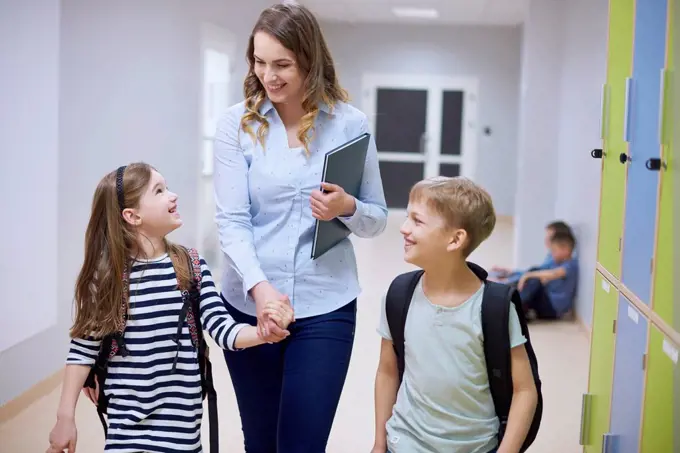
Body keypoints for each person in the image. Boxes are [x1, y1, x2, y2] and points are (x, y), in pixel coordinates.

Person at [212, 3, 387, 452]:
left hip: (325, 303)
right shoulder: (237, 124)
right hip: (250, 305)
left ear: (310, 60)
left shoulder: (349, 123)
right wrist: (262, 291)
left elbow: (377, 218)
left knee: (302, 444)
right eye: (260, 61)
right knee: (261, 441)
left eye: (282, 64)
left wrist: (347, 207)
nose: (269, 75)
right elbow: (232, 222)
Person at [46, 163, 294, 453]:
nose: (173, 196)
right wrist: (65, 418)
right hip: (126, 437)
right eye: (160, 191)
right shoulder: (107, 279)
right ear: (132, 216)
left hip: (182, 437)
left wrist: (264, 333)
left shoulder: (191, 266)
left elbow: (222, 328)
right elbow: (83, 350)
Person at [372, 177, 538, 453]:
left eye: (417, 221)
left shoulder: (494, 307)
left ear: (455, 239)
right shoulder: (399, 294)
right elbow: (387, 372)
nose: (403, 228)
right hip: (403, 444)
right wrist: (380, 444)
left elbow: (525, 391)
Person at [517, 230, 579, 320]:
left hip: (553, 309)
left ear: (565, 250)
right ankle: (520, 309)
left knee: (534, 277)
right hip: (548, 304)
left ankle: (515, 307)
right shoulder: (559, 263)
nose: (552, 254)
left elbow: (554, 273)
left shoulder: (571, 264)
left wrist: (527, 275)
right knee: (533, 280)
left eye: (554, 250)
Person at [489, 220, 574, 284]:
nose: (547, 240)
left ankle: (504, 283)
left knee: (533, 274)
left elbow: (537, 273)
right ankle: (504, 281)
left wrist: (509, 279)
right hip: (529, 280)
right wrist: (510, 272)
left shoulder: (564, 262)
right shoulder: (552, 256)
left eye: (550, 237)